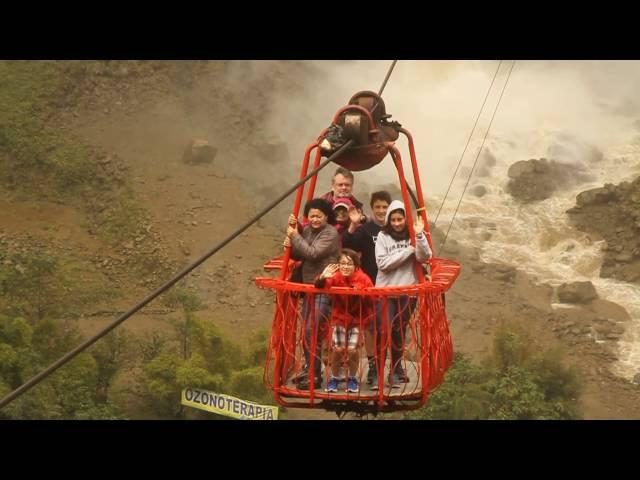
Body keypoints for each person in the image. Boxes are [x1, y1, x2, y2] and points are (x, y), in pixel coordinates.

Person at [284, 198, 340, 390]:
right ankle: (311, 370)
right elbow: (299, 254)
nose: (315, 219)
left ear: (326, 216)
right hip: (309, 287)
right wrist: (294, 235)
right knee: (308, 331)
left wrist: (295, 236)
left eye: (319, 216)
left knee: (311, 329)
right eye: (312, 216)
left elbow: (313, 253)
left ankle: (314, 373)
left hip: (324, 287)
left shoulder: (331, 233)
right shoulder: (307, 230)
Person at [375, 200, 431, 388]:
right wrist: (408, 250)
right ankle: (377, 371)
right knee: (383, 330)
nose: (397, 223)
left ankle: (396, 370)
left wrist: (420, 235)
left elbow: (424, 256)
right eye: (394, 219)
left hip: (408, 292)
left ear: (405, 219)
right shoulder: (382, 236)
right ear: (389, 220)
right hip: (385, 292)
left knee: (399, 331)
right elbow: (383, 263)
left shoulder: (413, 236)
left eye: (400, 219)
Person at [342, 190, 391, 385]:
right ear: (372, 208)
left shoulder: (394, 227)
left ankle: (385, 364)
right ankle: (373, 366)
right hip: (370, 286)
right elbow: (347, 245)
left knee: (386, 328)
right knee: (371, 328)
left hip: (390, 286)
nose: (381, 211)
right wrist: (353, 225)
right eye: (377, 207)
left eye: (384, 207)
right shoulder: (366, 229)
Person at [314, 249, 374, 393]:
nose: (346, 267)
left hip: (357, 320)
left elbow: (372, 296)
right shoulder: (336, 277)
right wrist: (322, 276)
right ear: (338, 265)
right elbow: (320, 286)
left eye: (349, 264)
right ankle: (334, 378)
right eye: (342, 263)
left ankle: (352, 378)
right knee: (338, 349)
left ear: (355, 266)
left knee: (353, 351)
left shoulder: (363, 278)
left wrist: (360, 291)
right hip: (339, 318)